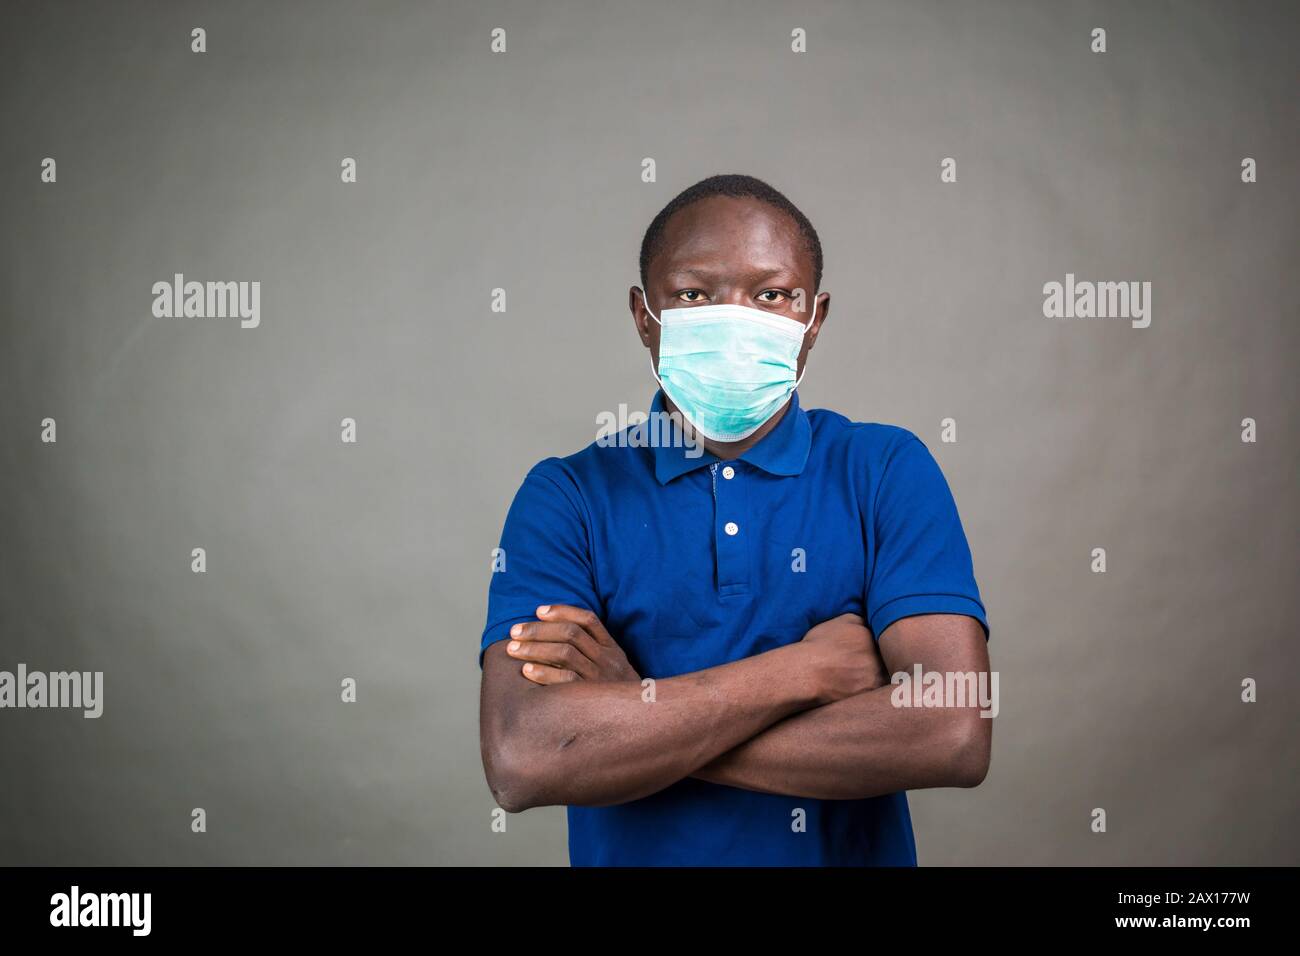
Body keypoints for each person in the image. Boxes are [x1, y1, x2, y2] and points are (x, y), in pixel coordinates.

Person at [478, 173, 992, 866]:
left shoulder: (884, 469)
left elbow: (952, 731)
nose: (734, 317)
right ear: (643, 315)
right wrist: (801, 673)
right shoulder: (567, 495)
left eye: (772, 294)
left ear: (815, 318)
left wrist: (638, 710)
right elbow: (524, 758)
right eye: (693, 294)